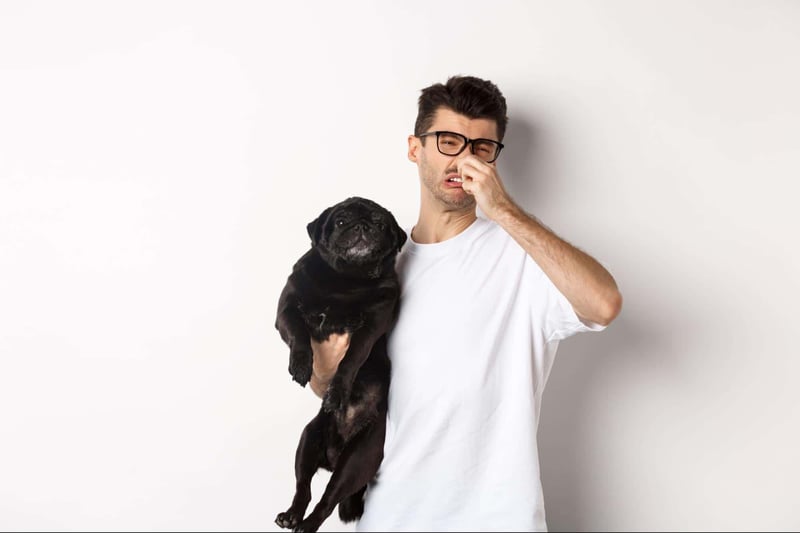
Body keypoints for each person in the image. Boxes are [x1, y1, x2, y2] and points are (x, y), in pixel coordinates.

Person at [308, 75, 622, 531]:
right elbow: (334, 388)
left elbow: (604, 304)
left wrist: (505, 212)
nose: (464, 159)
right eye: (449, 141)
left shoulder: (522, 255)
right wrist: (322, 367)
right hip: (388, 518)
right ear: (415, 148)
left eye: (481, 147)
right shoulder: (378, 268)